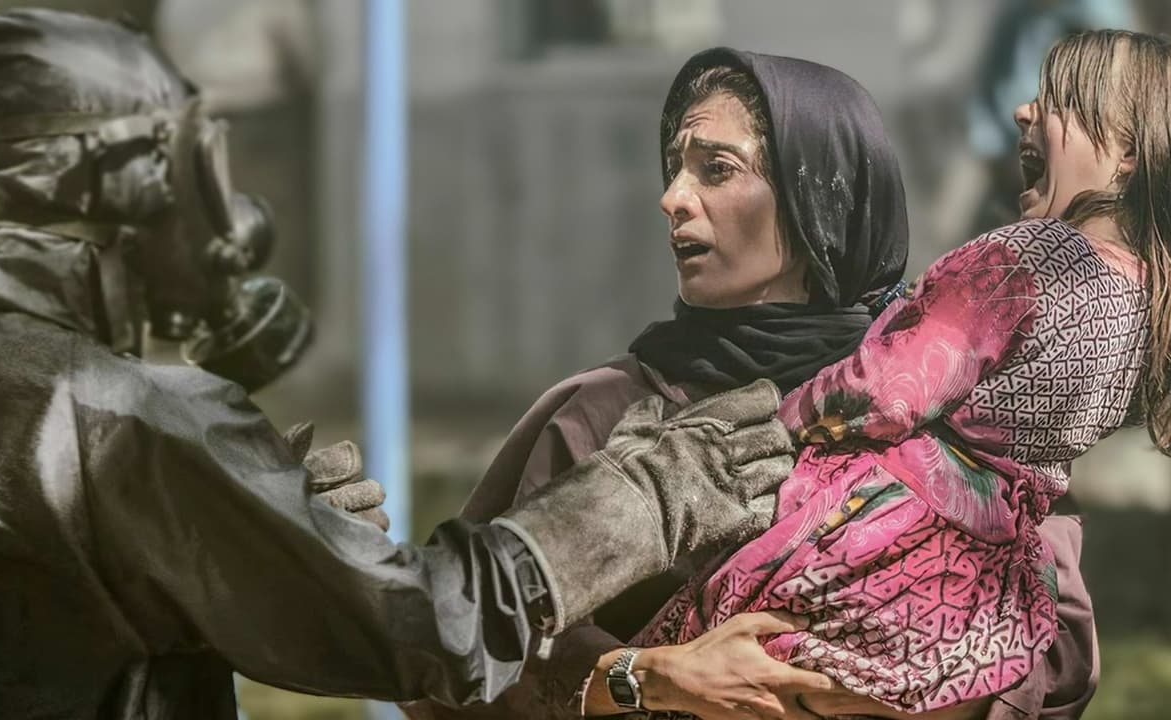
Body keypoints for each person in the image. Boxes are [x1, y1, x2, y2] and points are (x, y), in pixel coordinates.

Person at [0, 10, 796, 718]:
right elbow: (435, 631)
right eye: (188, 163)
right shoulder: (122, 414)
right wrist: (637, 500)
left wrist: (234, 536)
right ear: (118, 178)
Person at [403, 48, 1097, 720]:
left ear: (814, 197)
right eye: (676, 168)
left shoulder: (944, 412)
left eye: (717, 169)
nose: (672, 198)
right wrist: (652, 677)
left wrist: (904, 689)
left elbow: (1057, 651)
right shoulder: (605, 411)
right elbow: (452, 648)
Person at [632, 28, 1171, 717]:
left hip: (875, 527)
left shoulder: (1030, 258)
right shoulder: (1150, 304)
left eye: (1056, 101)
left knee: (704, 640)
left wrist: (784, 420)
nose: (1023, 111)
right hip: (976, 579)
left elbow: (886, 389)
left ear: (1128, 153)